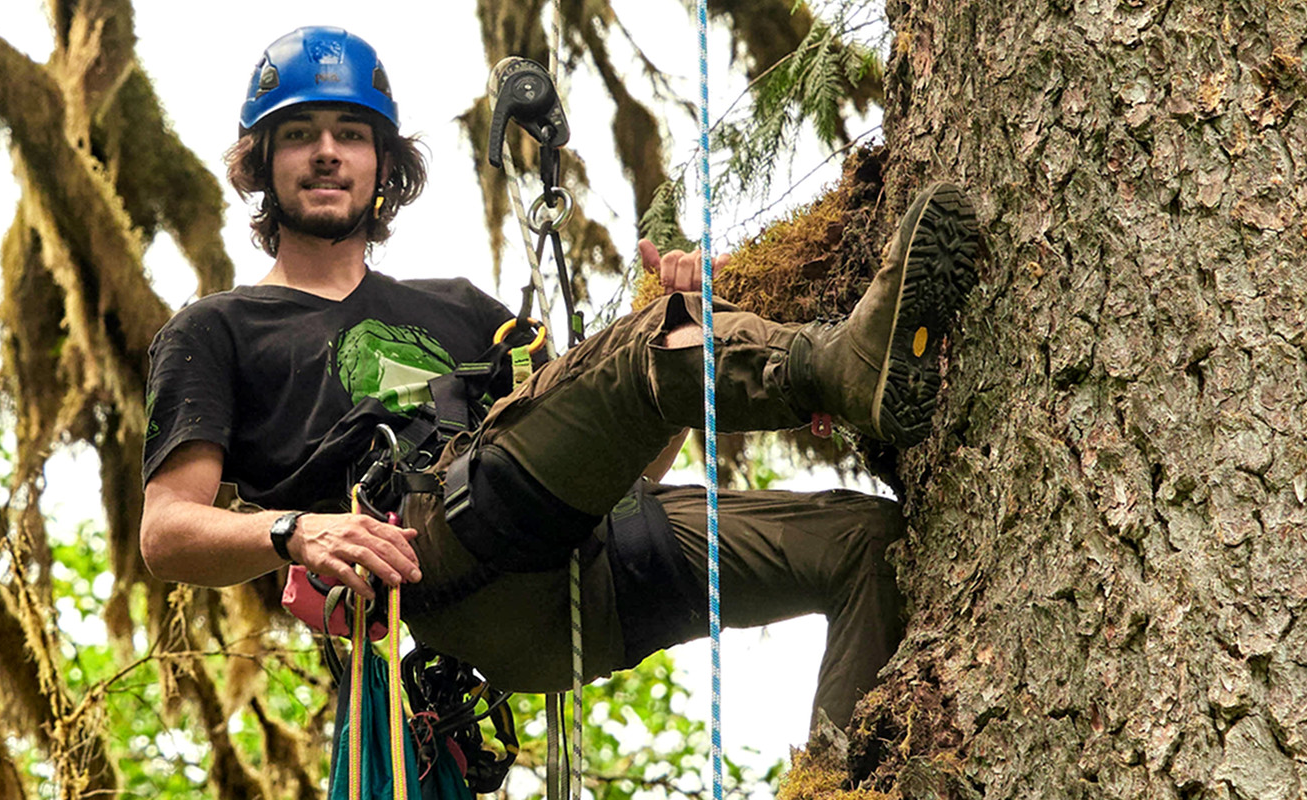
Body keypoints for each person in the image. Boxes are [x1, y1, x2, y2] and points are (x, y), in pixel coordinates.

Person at [139, 26, 978, 730]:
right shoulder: (216, 330)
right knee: (646, 344)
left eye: (349, 134)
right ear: (262, 162)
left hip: (605, 565)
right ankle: (844, 368)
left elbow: (622, 463)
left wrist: (683, 332)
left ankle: (847, 776)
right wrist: (297, 532)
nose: (326, 154)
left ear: (382, 162)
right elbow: (167, 531)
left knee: (870, 548)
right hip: (443, 565)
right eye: (300, 134)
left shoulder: (463, 308)